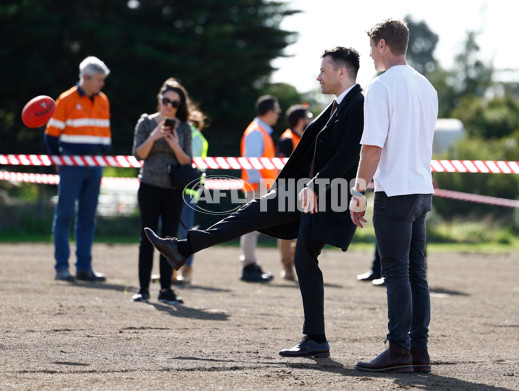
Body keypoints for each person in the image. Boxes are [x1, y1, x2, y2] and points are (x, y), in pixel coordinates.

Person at [143, 46, 364, 358]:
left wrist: (315, 185)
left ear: (342, 72)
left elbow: (347, 155)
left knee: (263, 227)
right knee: (286, 246)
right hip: (304, 193)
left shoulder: (358, 105)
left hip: (320, 197)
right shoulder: (338, 105)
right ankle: (316, 339)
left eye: (324, 71)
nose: (319, 77)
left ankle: (183, 249)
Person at [350, 19, 438, 373]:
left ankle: (398, 349)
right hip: (421, 189)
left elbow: (372, 148)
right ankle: (418, 351)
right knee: (417, 274)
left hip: (395, 191)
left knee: (397, 274)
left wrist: (358, 190)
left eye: (372, 47)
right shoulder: (426, 86)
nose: (370, 54)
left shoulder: (380, 86)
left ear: (383, 44)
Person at [45, 56, 111, 282]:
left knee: (88, 218)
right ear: (86, 77)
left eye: (103, 80)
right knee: (64, 216)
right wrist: (58, 160)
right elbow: (51, 135)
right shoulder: (65, 99)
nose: (102, 84)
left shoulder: (103, 100)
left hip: (95, 164)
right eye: (99, 80)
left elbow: (104, 137)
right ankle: (61, 267)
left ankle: (84, 267)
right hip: (71, 164)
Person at [131, 78, 194, 304]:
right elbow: (139, 154)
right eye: (166, 100)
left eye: (174, 103)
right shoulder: (146, 123)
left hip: (173, 189)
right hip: (149, 185)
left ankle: (166, 289)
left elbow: (188, 161)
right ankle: (143, 288)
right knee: (146, 238)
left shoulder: (184, 127)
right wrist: (154, 136)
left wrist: (175, 144)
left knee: (169, 239)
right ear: (159, 99)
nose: (169, 106)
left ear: (180, 106)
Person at [238, 95, 281, 283]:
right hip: (257, 187)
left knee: (253, 228)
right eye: (277, 110)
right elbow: (251, 162)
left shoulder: (260, 131)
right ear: (269, 112)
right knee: (251, 228)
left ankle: (251, 264)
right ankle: (248, 266)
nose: (278, 114)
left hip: (259, 186)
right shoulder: (257, 132)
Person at [276, 104, 312, 281]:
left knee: (302, 231)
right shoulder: (287, 139)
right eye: (307, 117)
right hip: (288, 190)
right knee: (285, 232)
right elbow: (279, 167)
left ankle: (298, 265)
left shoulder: (305, 137)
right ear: (300, 120)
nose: (310, 120)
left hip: (304, 191)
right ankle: (286, 266)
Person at [173, 109, 209, 285]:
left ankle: (185, 270)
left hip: (185, 189)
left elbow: (184, 159)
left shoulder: (192, 137)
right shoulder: (198, 137)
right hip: (188, 189)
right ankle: (178, 270)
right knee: (183, 230)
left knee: (184, 231)